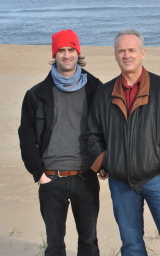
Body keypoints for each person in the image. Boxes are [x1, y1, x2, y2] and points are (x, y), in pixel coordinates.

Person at [86, 29, 160, 256]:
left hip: (159, 178)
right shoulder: (104, 93)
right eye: (121, 51)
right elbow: (93, 134)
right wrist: (106, 161)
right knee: (132, 245)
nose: (127, 55)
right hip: (120, 181)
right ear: (115, 55)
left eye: (132, 50)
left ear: (142, 53)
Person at [18, 29, 102, 255]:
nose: (67, 55)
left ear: (78, 52)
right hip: (51, 178)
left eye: (71, 49)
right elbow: (26, 136)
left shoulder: (96, 89)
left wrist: (104, 163)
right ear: (54, 54)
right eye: (61, 50)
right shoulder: (36, 94)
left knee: (89, 242)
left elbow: (108, 129)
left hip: (86, 176)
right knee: (54, 245)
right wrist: (38, 173)